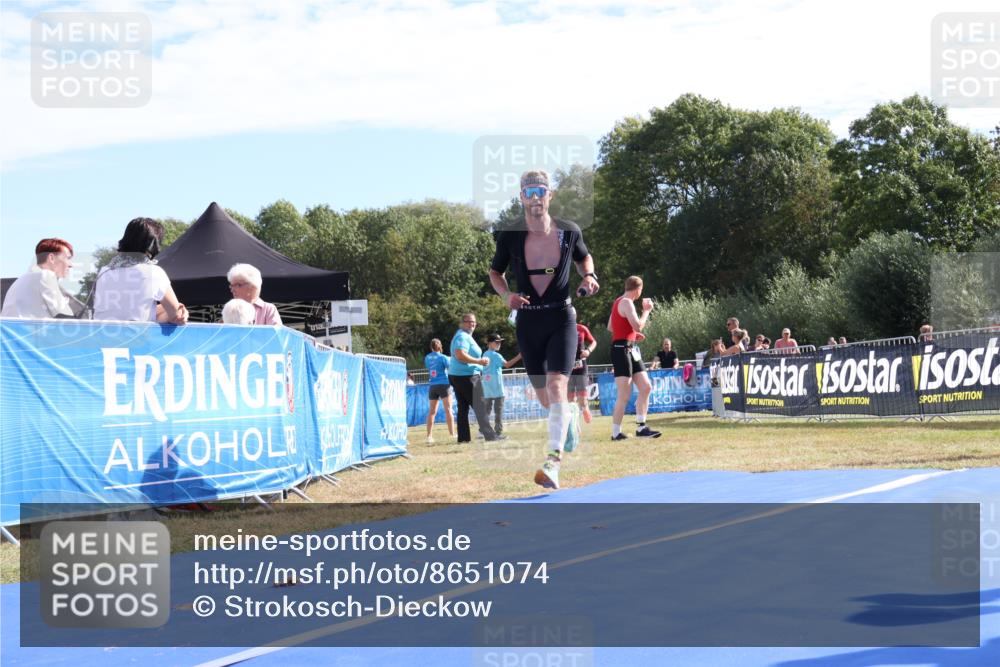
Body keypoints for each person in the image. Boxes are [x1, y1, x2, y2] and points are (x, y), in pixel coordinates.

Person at [488, 169, 599, 489]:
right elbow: (496, 273)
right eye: (529, 192)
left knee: (555, 386)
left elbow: (584, 258)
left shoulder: (569, 230)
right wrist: (506, 295)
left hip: (562, 317)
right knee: (545, 398)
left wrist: (588, 276)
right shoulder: (509, 235)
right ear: (521, 196)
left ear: (550, 195)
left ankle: (552, 463)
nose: (535, 198)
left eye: (541, 191)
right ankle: (569, 420)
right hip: (528, 320)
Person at [94, 218, 188, 324]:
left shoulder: (103, 272)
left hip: (101, 337)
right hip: (136, 337)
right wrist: (181, 309)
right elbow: (177, 315)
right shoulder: (155, 272)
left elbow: (124, 310)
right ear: (154, 245)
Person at [608, 275, 661, 441]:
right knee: (624, 394)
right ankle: (616, 433)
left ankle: (642, 427)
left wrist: (632, 335)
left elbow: (611, 327)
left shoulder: (619, 301)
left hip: (629, 347)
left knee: (646, 387)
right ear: (639, 290)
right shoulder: (626, 302)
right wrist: (646, 310)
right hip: (620, 350)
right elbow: (638, 324)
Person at [448, 313, 503, 443]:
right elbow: (460, 355)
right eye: (469, 321)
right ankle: (490, 436)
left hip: (458, 376)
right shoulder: (462, 336)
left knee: (463, 408)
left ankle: (463, 439)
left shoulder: (462, 335)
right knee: (480, 406)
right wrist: (478, 362)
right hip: (467, 376)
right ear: (462, 322)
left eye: (474, 322)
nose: (472, 324)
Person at [1, 238, 75, 318]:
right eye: (67, 258)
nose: (71, 265)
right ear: (51, 258)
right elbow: (66, 317)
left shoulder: (21, 279)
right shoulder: (46, 275)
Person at [481, 333, 523, 436]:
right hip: (497, 387)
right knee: (498, 411)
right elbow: (507, 365)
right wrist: (519, 356)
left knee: (487, 410)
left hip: (487, 387)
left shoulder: (485, 354)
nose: (499, 344)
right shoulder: (496, 355)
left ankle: (482, 431)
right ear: (490, 343)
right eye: (497, 342)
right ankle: (498, 433)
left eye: (500, 342)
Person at [424, 338, 455, 443]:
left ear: (431, 347)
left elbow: (430, 367)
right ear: (440, 346)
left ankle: (429, 436)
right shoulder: (443, 357)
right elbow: (450, 367)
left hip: (432, 385)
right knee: (448, 410)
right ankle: (452, 434)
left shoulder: (427, 357)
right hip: (444, 384)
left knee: (432, 412)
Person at [570, 322, 597, 424]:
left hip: (581, 367)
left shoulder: (581, 328)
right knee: (570, 399)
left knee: (583, 399)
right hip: (567, 367)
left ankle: (585, 409)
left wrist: (588, 351)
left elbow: (593, 341)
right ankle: (574, 425)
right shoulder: (560, 328)